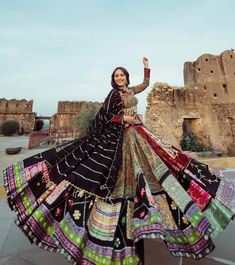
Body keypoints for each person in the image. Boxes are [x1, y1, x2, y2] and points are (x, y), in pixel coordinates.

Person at [3, 57, 235, 265]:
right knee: (120, 175)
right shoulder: (114, 95)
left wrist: (146, 70)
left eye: (122, 74)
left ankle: (148, 213)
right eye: (116, 76)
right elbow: (104, 116)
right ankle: (116, 225)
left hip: (140, 134)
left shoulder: (129, 92)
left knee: (163, 165)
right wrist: (121, 117)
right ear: (113, 80)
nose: (119, 78)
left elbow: (144, 87)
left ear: (126, 77)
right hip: (122, 137)